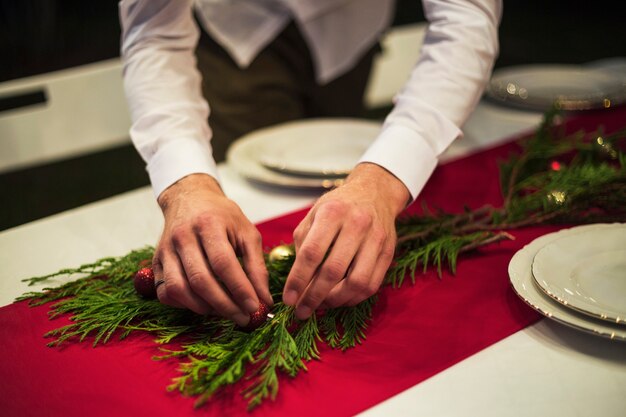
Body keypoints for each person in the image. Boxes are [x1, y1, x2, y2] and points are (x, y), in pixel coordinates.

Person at [119, 0, 502, 327]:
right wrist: (186, 185)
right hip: (238, 27)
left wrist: (384, 181)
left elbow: (465, 18)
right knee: (252, 192)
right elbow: (154, 32)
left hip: (352, 26)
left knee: (345, 187)